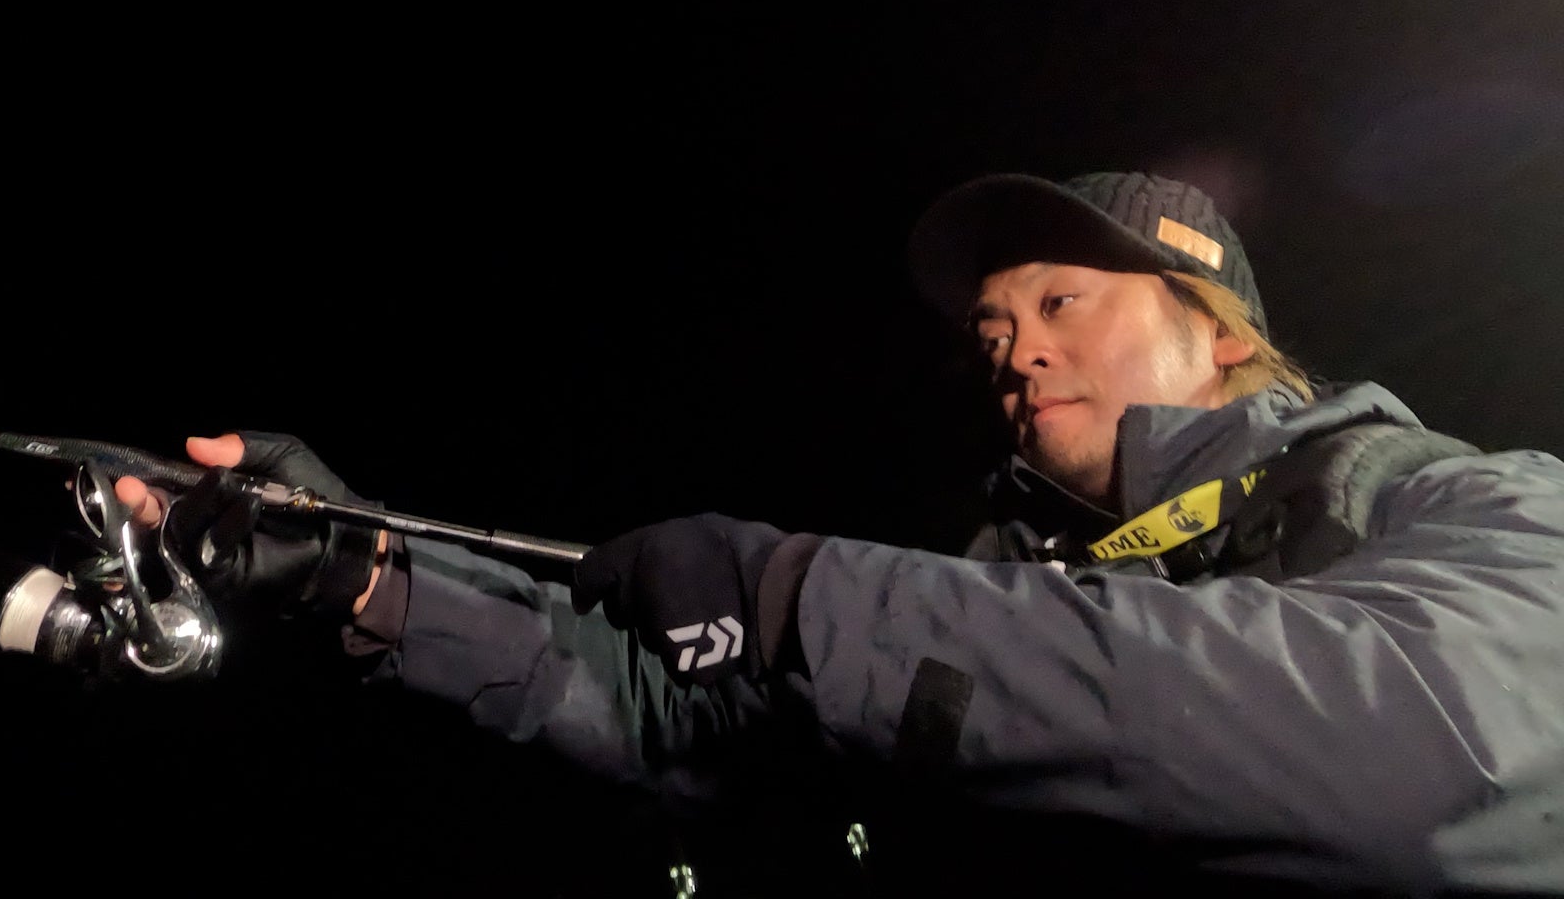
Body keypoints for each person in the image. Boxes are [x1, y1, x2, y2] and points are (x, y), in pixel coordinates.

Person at [112, 172, 1564, 896]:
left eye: (1063, 303)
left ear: (1221, 331)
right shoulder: (994, 587)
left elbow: (1446, 748)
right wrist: (365, 571)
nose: (1017, 353)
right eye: (992, 333)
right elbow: (674, 724)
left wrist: (803, 592)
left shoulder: (1448, 492)